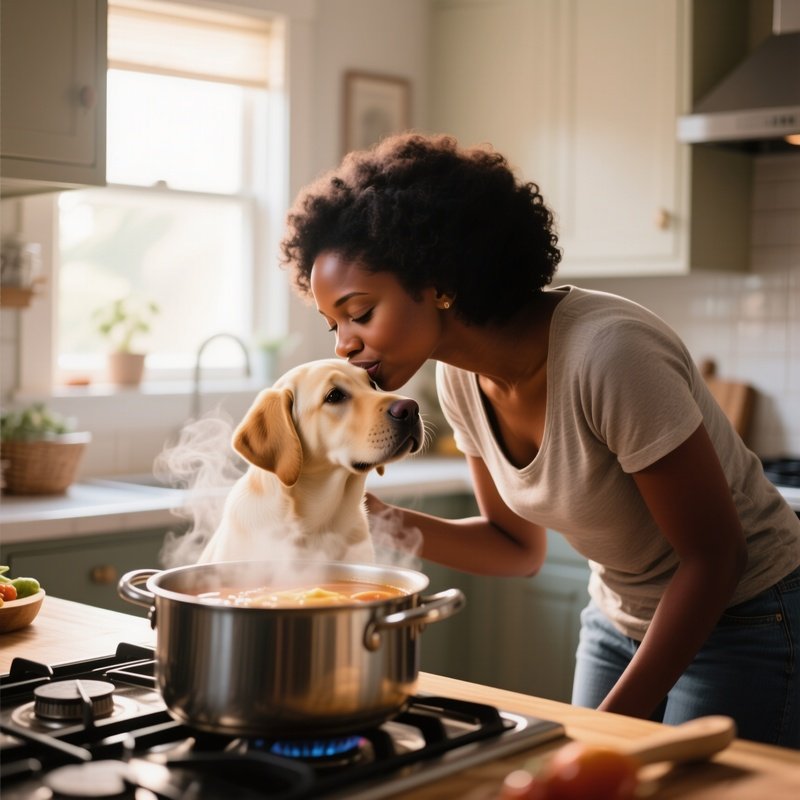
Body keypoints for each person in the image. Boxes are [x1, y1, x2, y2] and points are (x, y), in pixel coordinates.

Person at [279, 132, 800, 748]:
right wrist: (373, 517)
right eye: (332, 322)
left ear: (438, 278)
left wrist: (602, 728)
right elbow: (514, 548)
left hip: (747, 613)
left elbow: (716, 558)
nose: (343, 343)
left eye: (360, 313)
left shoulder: (610, 354)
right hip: (616, 616)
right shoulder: (459, 381)